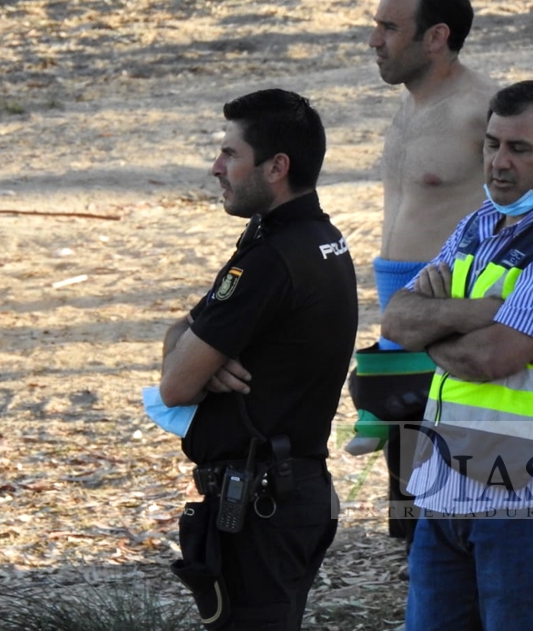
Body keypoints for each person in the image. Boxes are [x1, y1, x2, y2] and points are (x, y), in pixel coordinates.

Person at [345, 0, 533, 548]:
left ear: (436, 36)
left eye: (389, 28)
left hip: (462, 315)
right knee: (414, 514)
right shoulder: (412, 106)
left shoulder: (479, 107)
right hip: (419, 311)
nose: (373, 40)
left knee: (434, 514)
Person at [381, 80, 533, 631]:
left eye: (519, 148)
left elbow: (493, 358)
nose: (498, 163)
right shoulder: (475, 228)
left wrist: (436, 328)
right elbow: (396, 319)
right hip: (446, 483)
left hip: (531, 493)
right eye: (491, 145)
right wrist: (479, 313)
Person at [156, 89, 358, 631]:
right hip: (288, 492)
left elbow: (175, 386)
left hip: (263, 505)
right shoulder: (321, 238)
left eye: (230, 155)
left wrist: (189, 347)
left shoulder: (271, 259)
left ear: (276, 168)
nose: (216, 168)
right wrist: (196, 344)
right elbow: (191, 337)